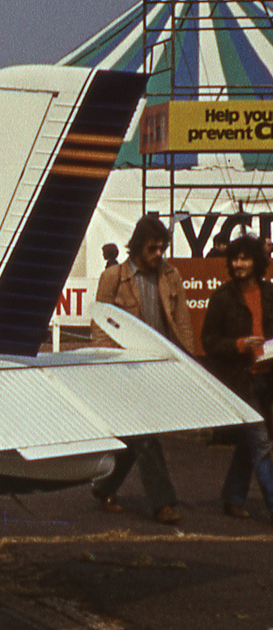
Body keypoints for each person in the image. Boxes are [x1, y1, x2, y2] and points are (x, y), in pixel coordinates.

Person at [90, 215, 193, 523]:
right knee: (145, 435)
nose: (158, 254)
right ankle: (163, 503)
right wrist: (105, 365)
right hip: (125, 369)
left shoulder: (170, 275)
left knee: (134, 437)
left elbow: (182, 321)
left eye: (162, 247)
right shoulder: (113, 277)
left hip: (160, 366)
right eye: (152, 248)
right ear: (136, 247)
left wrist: (188, 363)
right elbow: (101, 325)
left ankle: (104, 486)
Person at [202, 237, 273, 520]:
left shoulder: (269, 293)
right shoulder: (222, 297)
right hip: (240, 379)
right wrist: (240, 345)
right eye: (235, 258)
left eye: (246, 258)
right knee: (261, 442)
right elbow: (209, 341)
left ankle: (233, 497)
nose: (239, 264)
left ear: (258, 261)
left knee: (250, 442)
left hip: (267, 378)